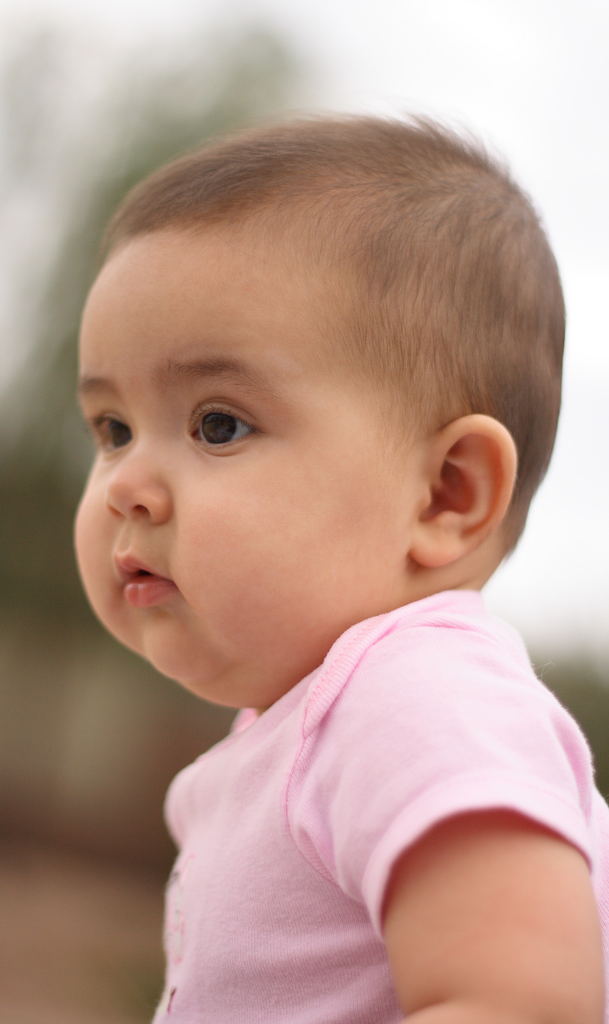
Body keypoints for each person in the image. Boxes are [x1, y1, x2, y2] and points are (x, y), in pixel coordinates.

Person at [74, 116, 608, 1023]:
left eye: (217, 424)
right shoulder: (314, 723)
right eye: (112, 429)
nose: (127, 484)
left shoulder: (421, 698)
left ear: (445, 493)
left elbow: (528, 1004)